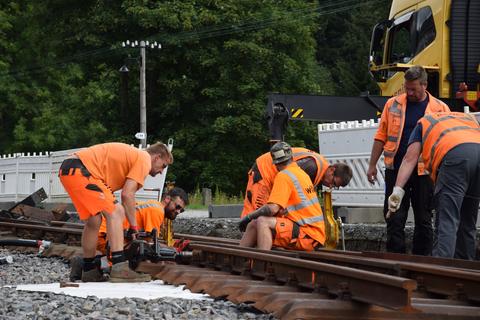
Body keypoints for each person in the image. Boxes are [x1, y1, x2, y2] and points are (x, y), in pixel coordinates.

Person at [59, 142, 172, 282]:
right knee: (116, 211)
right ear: (157, 157)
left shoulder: (134, 156)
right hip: (83, 171)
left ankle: (89, 270)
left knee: (94, 220)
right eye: (163, 165)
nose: (161, 171)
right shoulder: (144, 158)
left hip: (69, 169)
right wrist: (133, 227)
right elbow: (127, 195)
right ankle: (120, 267)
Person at [367, 65, 450, 255]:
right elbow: (381, 136)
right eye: (407, 88)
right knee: (394, 215)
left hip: (425, 172)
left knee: (423, 217)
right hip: (396, 169)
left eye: (413, 89)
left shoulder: (440, 108)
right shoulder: (393, 104)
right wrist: (372, 164)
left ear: (425, 85)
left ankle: (423, 260)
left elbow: (445, 141)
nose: (409, 92)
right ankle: (396, 258)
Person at [388, 112, 480, 260]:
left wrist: (397, 191)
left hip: (455, 157)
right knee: (468, 220)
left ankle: (441, 270)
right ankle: (466, 269)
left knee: (447, 218)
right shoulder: (467, 118)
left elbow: (409, 158)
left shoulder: (424, 123)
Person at [239, 141, 352, 251]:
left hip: (308, 233)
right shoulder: (307, 170)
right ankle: (242, 259)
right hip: (263, 175)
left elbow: (274, 207)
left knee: (262, 221)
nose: (331, 186)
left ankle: (261, 263)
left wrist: (249, 217)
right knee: (256, 222)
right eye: (334, 183)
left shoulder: (291, 174)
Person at [241, 147, 352, 218]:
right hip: (264, 172)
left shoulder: (318, 169)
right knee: (257, 214)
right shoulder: (312, 167)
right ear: (332, 170)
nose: (330, 186)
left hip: (270, 174)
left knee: (267, 217)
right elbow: (287, 179)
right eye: (333, 182)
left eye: (335, 186)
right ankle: (250, 250)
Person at [97, 187, 189, 254]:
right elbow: (150, 244)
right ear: (167, 199)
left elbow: (148, 240)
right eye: (177, 207)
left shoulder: (156, 207)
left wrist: (171, 246)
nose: (178, 211)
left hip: (108, 234)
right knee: (146, 252)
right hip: (107, 237)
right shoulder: (157, 211)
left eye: (181, 210)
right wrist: (173, 249)